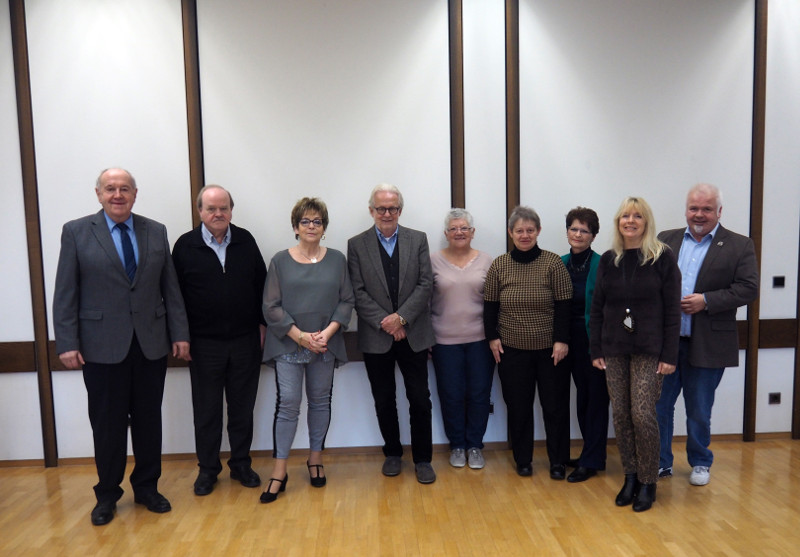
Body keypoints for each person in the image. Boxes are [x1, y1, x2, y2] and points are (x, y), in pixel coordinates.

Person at [53, 168, 190, 526]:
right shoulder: (77, 232)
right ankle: (107, 495)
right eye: (110, 189)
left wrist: (180, 333)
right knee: (108, 424)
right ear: (98, 193)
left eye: (124, 189)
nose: (118, 195)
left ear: (135, 193)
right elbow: (65, 292)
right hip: (100, 347)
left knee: (148, 422)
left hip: (150, 344)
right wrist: (67, 342)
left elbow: (170, 289)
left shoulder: (155, 231)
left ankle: (147, 488)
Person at [656, 183, 758, 486]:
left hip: (709, 343)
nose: (699, 214)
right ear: (686, 209)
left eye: (706, 209)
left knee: (699, 409)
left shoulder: (740, 245)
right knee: (660, 406)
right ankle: (661, 462)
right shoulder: (665, 240)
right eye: (693, 208)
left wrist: (707, 301)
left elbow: (748, 288)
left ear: (719, 212)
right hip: (667, 344)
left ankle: (700, 462)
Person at [172, 185, 267, 496]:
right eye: (211, 208)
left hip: (244, 341)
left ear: (231, 210)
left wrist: (263, 325)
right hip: (203, 344)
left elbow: (261, 286)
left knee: (242, 408)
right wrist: (181, 337)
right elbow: (175, 298)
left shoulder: (245, 240)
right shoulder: (185, 246)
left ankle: (241, 464)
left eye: (223, 208)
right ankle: (208, 469)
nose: (218, 213)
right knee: (207, 410)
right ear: (200, 211)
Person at [590, 196, 681, 512]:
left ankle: (648, 481)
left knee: (643, 415)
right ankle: (630, 476)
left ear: (646, 222)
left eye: (637, 216)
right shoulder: (608, 260)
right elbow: (598, 307)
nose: (630, 221)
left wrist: (670, 354)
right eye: (625, 216)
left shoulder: (662, 258)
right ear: (618, 223)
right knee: (622, 415)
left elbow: (672, 310)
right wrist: (595, 349)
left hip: (649, 351)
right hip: (614, 349)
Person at [261, 197, 354, 503]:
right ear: (295, 227)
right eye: (306, 221)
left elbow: (346, 301)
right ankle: (279, 470)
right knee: (287, 405)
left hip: (324, 344)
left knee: (320, 402)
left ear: (324, 227)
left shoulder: (338, 259)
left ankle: (315, 459)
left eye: (317, 221)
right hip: (289, 343)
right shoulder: (279, 260)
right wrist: (300, 336)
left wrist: (325, 334)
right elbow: (270, 306)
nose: (312, 226)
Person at [347, 184, 437, 484]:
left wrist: (401, 319)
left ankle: (423, 459)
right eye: (381, 208)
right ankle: (393, 454)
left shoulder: (418, 239)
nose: (387, 213)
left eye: (393, 208)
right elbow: (357, 291)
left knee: (420, 399)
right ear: (371, 210)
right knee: (384, 399)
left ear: (400, 209)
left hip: (413, 334)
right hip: (376, 336)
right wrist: (385, 322)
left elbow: (426, 284)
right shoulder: (357, 244)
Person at [484, 206, 572, 480]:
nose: (525, 235)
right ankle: (523, 459)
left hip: (550, 350)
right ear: (511, 233)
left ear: (539, 231)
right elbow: (489, 306)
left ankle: (558, 461)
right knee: (519, 408)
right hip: (512, 350)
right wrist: (492, 337)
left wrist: (561, 340)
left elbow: (564, 306)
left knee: (555, 407)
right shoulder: (499, 265)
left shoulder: (553, 263)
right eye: (519, 230)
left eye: (530, 230)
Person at [430, 209, 495, 470]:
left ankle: (475, 445)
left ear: (472, 232)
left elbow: (494, 303)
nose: (459, 232)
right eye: (454, 228)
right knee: (451, 395)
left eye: (464, 228)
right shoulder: (432, 261)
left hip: (480, 340)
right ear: (446, 234)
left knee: (479, 394)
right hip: (443, 342)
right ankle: (457, 445)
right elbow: (424, 301)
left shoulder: (488, 261)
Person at [560, 207, 609, 483]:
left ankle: (592, 459)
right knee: (581, 399)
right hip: (567, 340)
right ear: (567, 231)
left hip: (594, 341)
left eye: (584, 231)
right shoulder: (560, 262)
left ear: (593, 235)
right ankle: (591, 454)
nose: (578, 234)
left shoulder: (603, 264)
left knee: (596, 400)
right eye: (574, 229)